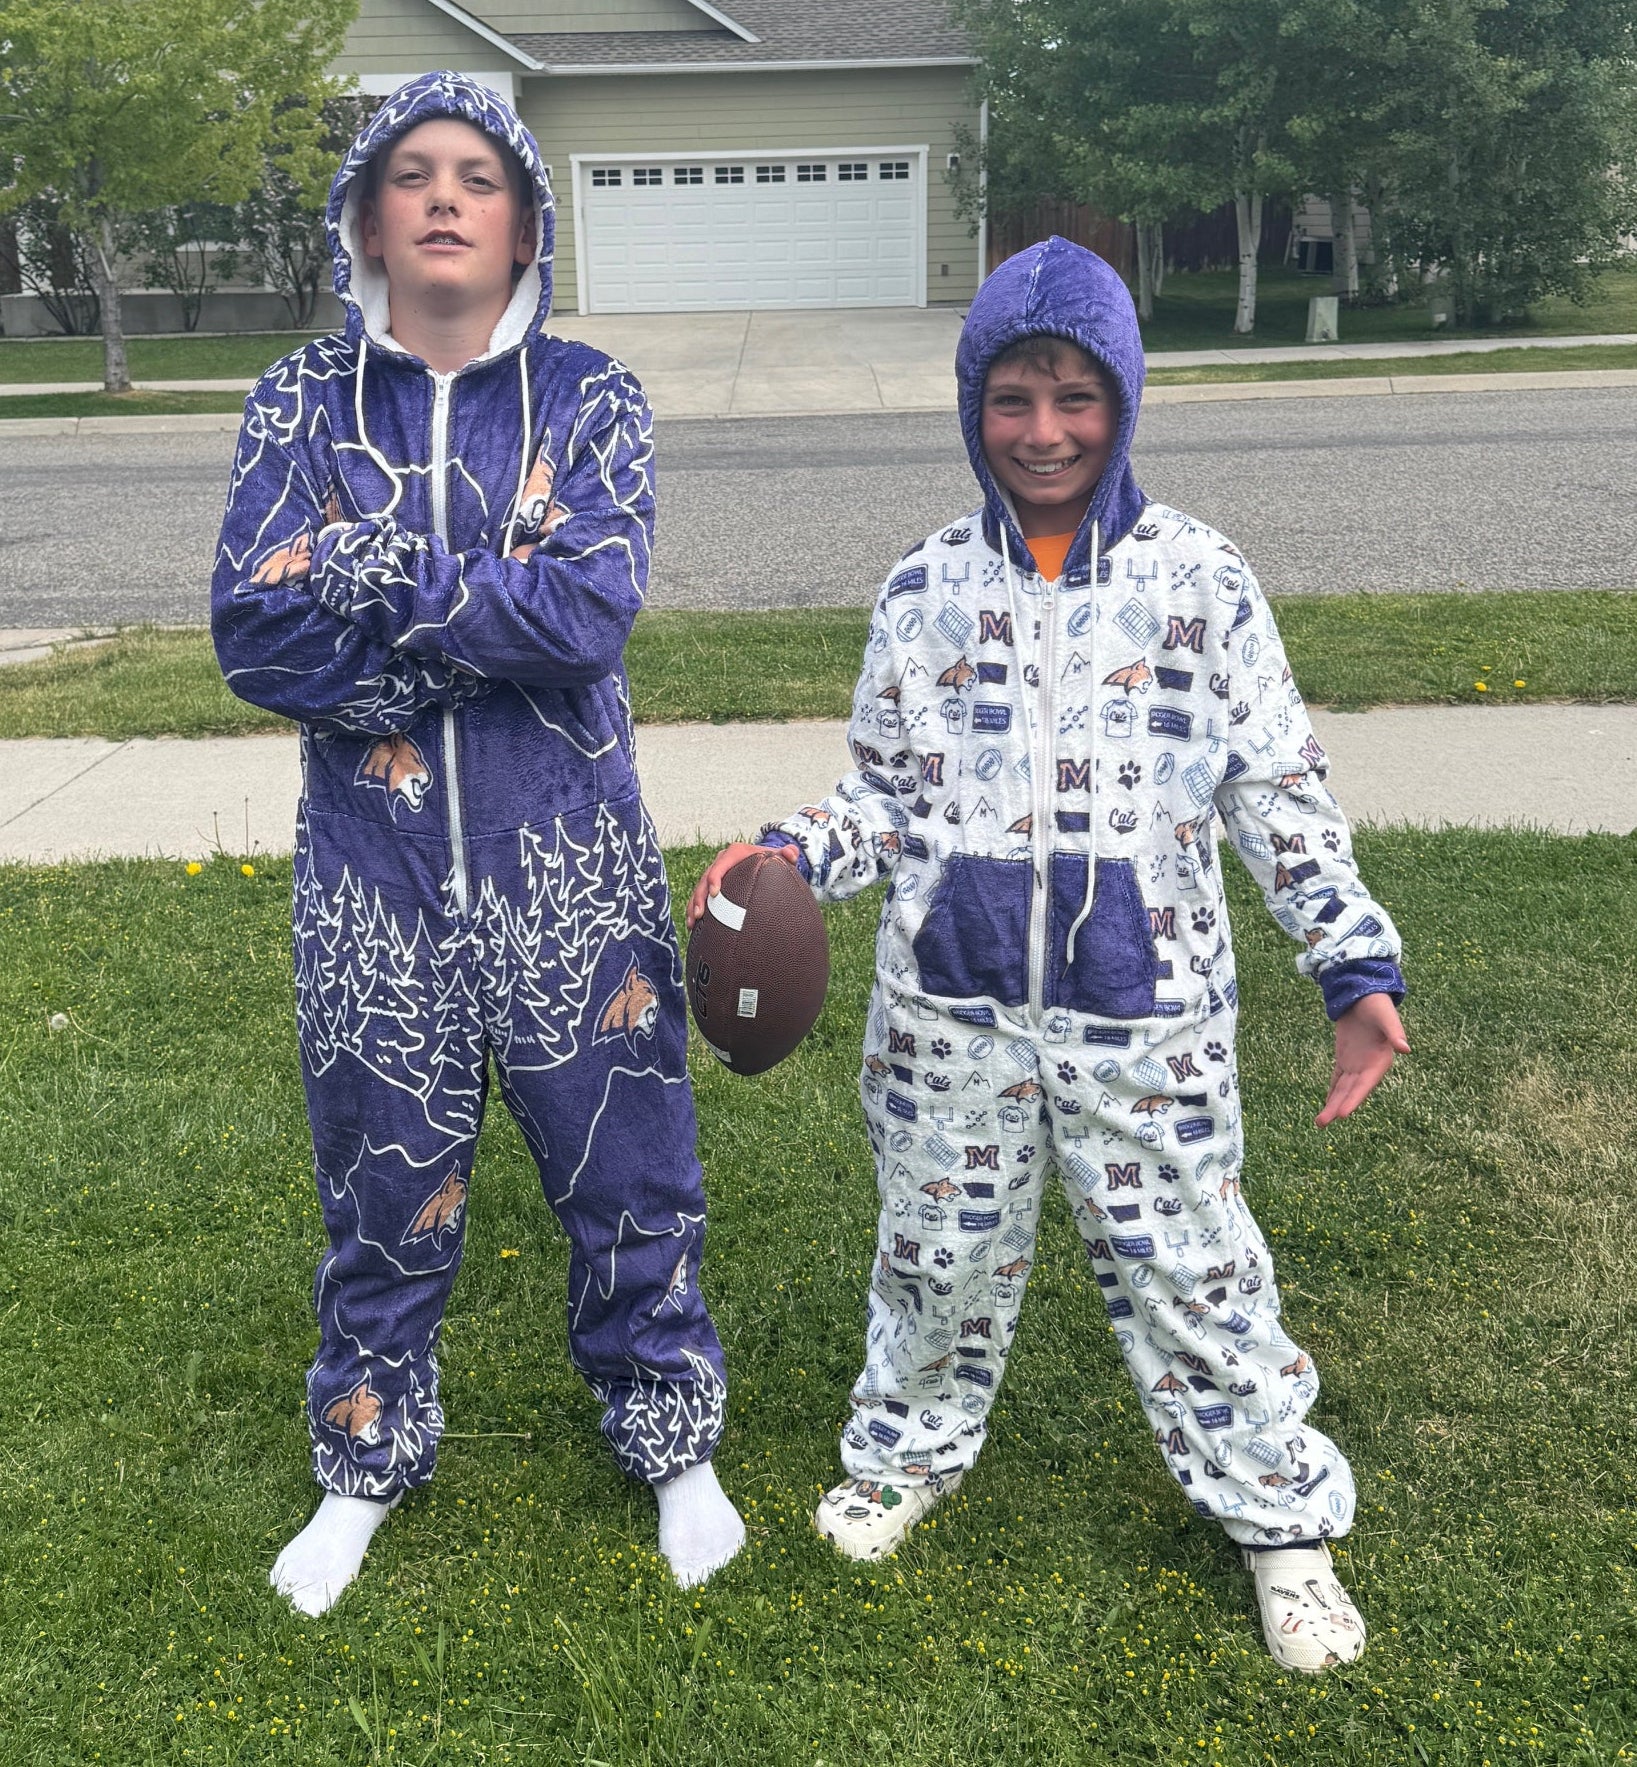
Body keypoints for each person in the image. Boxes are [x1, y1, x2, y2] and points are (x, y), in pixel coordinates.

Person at [689, 237, 1408, 1674]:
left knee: (1193, 1271)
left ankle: (1279, 1522)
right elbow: (884, 792)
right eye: (1011, 398)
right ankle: (904, 1453)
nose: (1043, 432)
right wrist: (785, 856)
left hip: (1147, 1018)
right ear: (974, 407)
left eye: (1074, 396)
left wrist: (1351, 963)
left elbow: (1275, 788)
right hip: (946, 1017)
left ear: (1122, 399)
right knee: (934, 1256)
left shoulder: (1201, 581)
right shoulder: (922, 589)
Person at [213, 71, 743, 1617]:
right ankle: (363, 1456)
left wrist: (363, 562)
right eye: (412, 174)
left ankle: (668, 1434)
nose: (444, 196)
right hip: (369, 884)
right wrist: (479, 618)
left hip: (567, 871)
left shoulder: (592, 399)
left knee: (627, 1165)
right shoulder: (298, 402)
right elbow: (254, 634)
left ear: (524, 229)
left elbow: (586, 619)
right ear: (366, 223)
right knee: (378, 1179)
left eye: (479, 177)